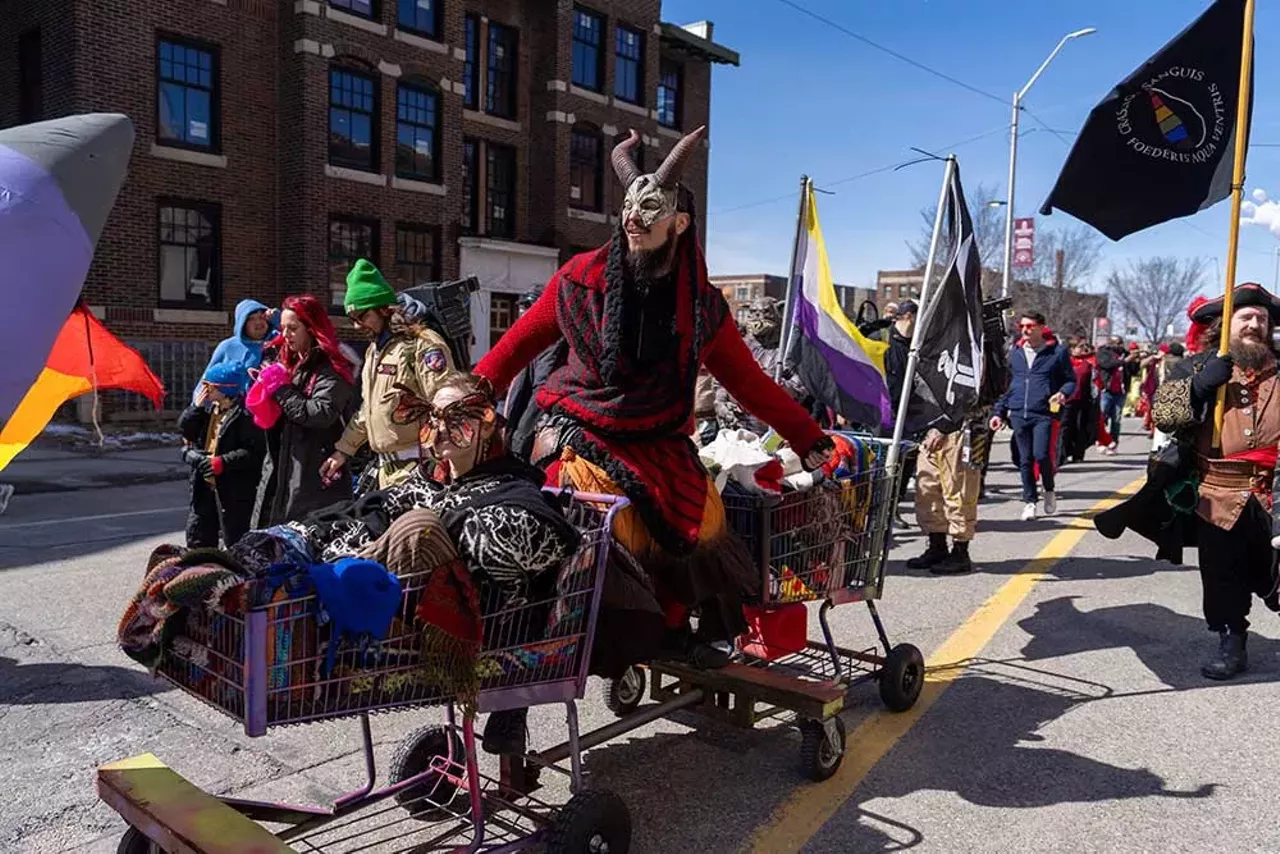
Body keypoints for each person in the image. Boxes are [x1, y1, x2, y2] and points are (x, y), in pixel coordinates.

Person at [472, 126, 834, 675]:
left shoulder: (702, 307)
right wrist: (470, 395)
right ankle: (585, 637)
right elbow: (516, 345)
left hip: (661, 436)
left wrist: (810, 439)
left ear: (679, 222)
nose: (633, 218)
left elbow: (751, 386)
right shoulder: (577, 281)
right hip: (583, 430)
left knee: (702, 517)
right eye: (627, 206)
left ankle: (669, 630)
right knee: (608, 521)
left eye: (649, 206)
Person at [1144, 283, 1280, 679]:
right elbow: (1164, 415)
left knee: (1273, 567)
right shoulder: (1196, 367)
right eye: (1246, 318)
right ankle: (1231, 640)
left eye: (1262, 319)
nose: (1255, 324)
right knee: (1222, 573)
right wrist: (1200, 387)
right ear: (1224, 325)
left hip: (1274, 486)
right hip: (1217, 490)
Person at [323, 260, 458, 490]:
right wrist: (343, 451)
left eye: (362, 317)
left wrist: (444, 464)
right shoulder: (374, 353)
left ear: (385, 309)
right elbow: (368, 411)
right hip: (387, 473)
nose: (356, 326)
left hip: (422, 469)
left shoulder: (422, 345)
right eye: (352, 319)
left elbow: (445, 405)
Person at [258, 295, 357, 524]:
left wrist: (281, 390)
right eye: (282, 328)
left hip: (316, 479)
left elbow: (320, 413)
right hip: (284, 471)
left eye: (292, 328)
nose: (285, 336)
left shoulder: (331, 367)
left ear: (312, 329)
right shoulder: (289, 363)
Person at [991, 310, 1075, 521]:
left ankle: (1048, 489)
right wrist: (999, 412)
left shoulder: (1056, 352)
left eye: (1030, 326)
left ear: (1040, 327)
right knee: (1024, 460)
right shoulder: (1015, 353)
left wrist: (1062, 393)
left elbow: (1070, 380)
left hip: (1044, 413)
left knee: (1041, 455)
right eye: (1022, 327)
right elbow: (1008, 386)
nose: (1025, 330)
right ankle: (1030, 501)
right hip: (1019, 412)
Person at [178, 362, 266, 547]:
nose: (205, 391)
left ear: (226, 389)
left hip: (231, 488)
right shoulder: (208, 410)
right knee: (199, 536)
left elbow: (254, 452)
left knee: (234, 538)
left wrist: (222, 462)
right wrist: (195, 409)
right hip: (205, 484)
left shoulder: (244, 414)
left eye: (209, 387)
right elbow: (187, 432)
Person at [714, 297, 810, 436]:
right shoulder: (739, 345)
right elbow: (722, 379)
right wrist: (721, 402)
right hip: (738, 422)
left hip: (774, 425)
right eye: (753, 312)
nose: (758, 317)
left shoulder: (789, 350)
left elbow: (800, 386)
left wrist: (778, 384)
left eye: (766, 312)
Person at [503, 284, 569, 462]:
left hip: (534, 428)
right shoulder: (532, 338)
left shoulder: (550, 340)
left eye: (527, 307)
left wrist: (520, 437)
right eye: (522, 307)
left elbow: (540, 389)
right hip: (517, 424)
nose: (522, 312)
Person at [193, 299, 278, 405]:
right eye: (251, 319)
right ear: (242, 323)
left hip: (270, 409)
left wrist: (278, 321)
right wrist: (197, 406)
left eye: (262, 317)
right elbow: (206, 382)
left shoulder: (277, 341)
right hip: (235, 411)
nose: (258, 322)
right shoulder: (228, 346)